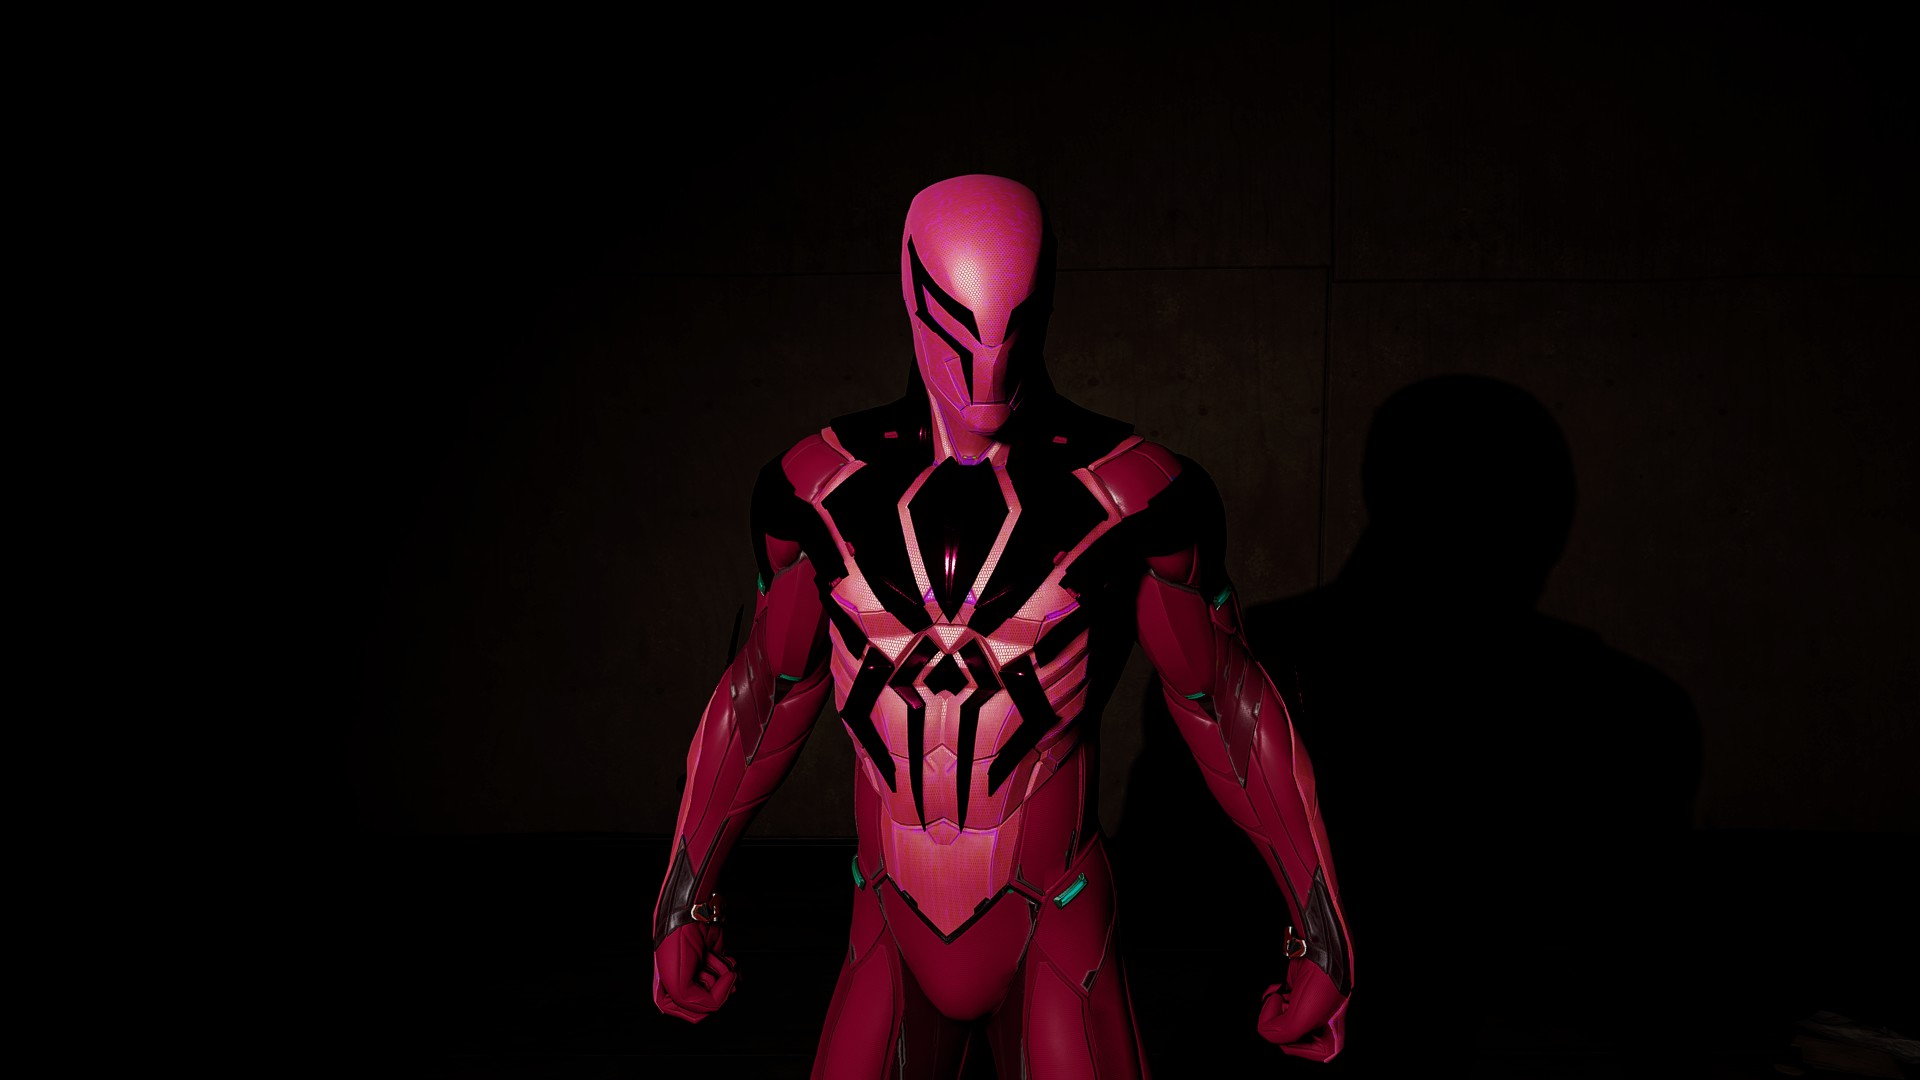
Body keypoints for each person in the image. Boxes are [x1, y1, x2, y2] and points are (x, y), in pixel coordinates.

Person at [651, 174, 1353, 1078]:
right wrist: (685, 899)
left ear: (1046, 296)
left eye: (1010, 324)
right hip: (887, 922)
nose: (987, 369)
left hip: (1054, 919)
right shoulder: (813, 489)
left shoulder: (1135, 493)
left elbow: (1226, 706)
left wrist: (1318, 929)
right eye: (960, 323)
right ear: (915, 295)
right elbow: (765, 694)